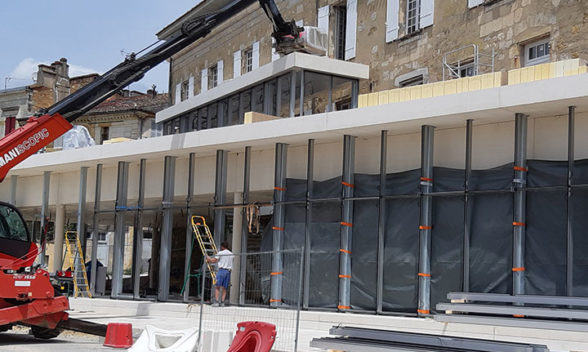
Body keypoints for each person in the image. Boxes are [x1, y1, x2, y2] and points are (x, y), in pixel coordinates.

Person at [206, 241, 234, 307]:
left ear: (222, 247)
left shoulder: (221, 253)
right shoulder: (231, 254)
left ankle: (216, 302)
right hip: (228, 271)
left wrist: (208, 258)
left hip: (221, 270)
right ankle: (222, 302)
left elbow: (214, 260)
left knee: (217, 286)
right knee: (224, 288)